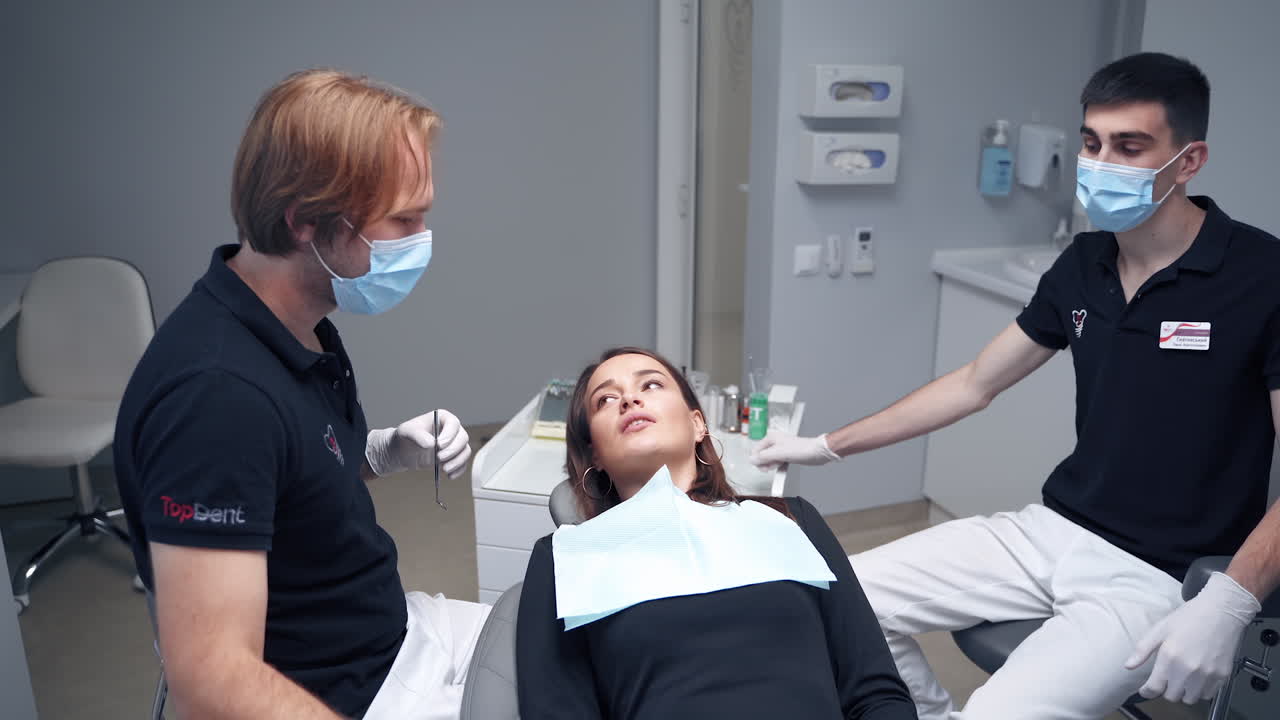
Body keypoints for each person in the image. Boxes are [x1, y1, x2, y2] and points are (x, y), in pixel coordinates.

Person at [752, 52, 1280, 718]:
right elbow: (974, 383)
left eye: (1129, 146)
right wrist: (827, 445)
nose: (1101, 164)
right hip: (1052, 529)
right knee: (831, 601)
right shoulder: (1085, 261)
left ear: (1189, 161)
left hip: (1156, 575)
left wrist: (1232, 598)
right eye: (1091, 143)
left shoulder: (1262, 277)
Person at [114, 70, 490, 719]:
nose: (422, 240)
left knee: (580, 641)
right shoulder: (214, 398)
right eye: (404, 219)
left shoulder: (298, 327)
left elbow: (289, 479)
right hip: (349, 696)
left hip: (390, 634)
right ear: (307, 223)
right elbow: (211, 679)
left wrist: (382, 450)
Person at [515, 347, 917, 720]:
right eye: (605, 399)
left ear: (697, 424)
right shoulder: (566, 558)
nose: (629, 400)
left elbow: (876, 692)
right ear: (595, 454)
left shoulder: (791, 521)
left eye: (650, 385)